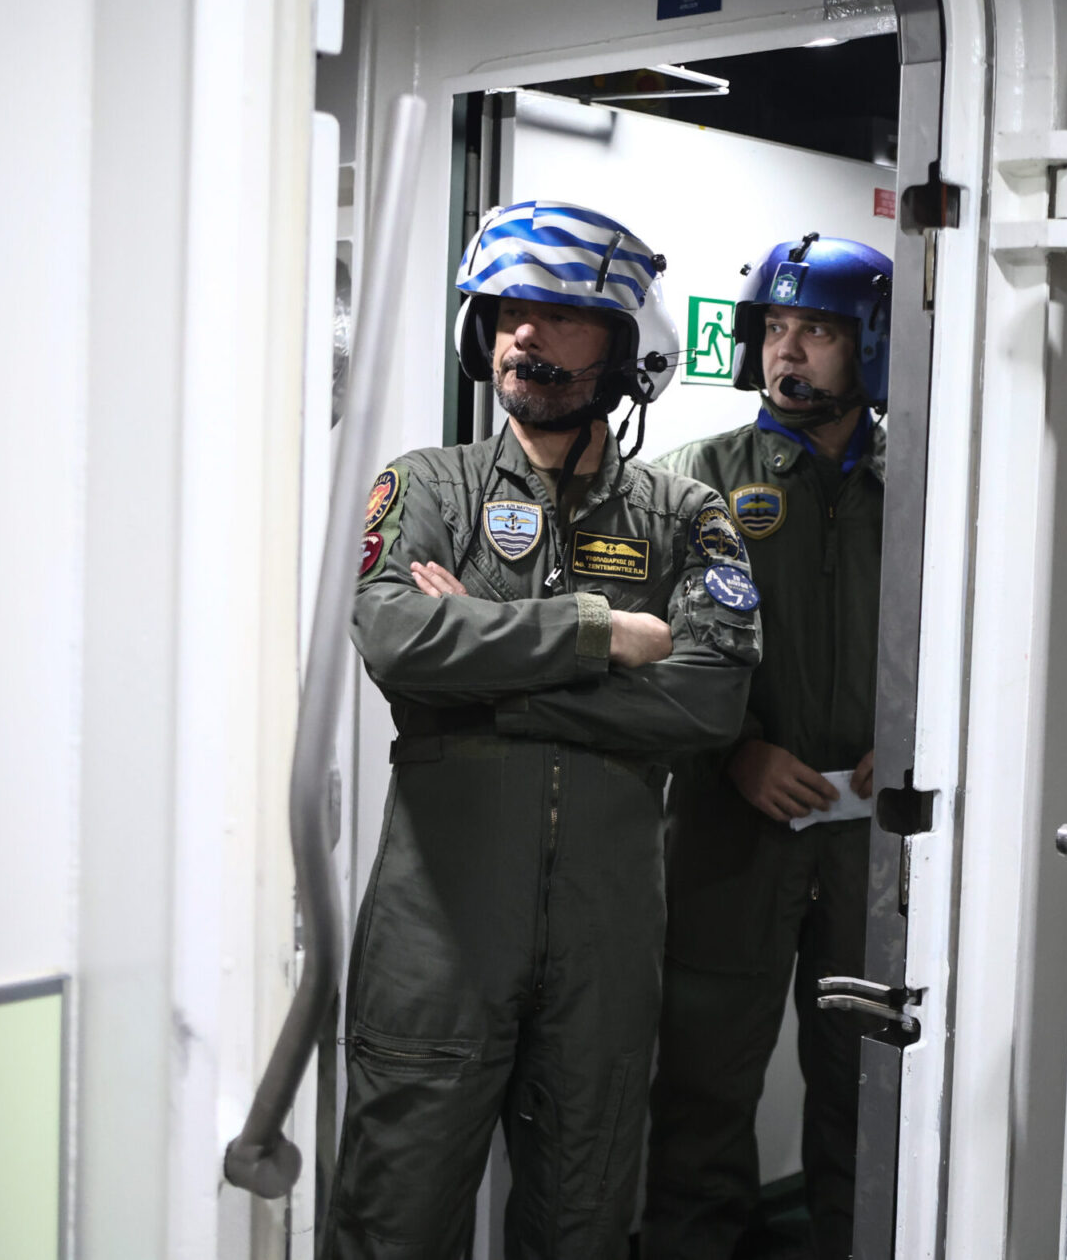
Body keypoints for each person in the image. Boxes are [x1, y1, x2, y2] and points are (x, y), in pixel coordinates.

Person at [324, 200, 763, 1259]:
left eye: (562, 315)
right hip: (436, 937)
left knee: (581, 1226)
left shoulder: (685, 514)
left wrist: (487, 680)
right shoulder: (426, 487)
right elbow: (395, 637)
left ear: (625, 349)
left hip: (605, 946)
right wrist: (598, 633)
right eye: (510, 312)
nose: (527, 334)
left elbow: (709, 699)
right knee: (392, 1221)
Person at [643, 233, 892, 1260]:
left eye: (817, 332)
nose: (787, 352)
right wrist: (734, 754)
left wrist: (917, 744)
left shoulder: (928, 487)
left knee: (867, 1092)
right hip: (730, 837)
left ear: (870, 344)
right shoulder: (690, 481)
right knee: (702, 1094)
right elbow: (646, 652)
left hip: (875, 844)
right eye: (775, 329)